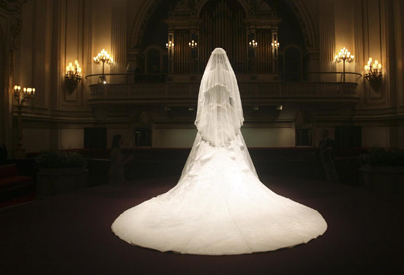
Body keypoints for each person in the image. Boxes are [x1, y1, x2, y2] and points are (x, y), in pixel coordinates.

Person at [111, 48, 327, 255]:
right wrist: (230, 117)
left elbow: (203, 102)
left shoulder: (208, 76)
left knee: (205, 154)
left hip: (212, 115)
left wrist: (207, 118)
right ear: (225, 61)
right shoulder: (227, 75)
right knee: (232, 151)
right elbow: (234, 101)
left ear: (211, 61)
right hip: (225, 114)